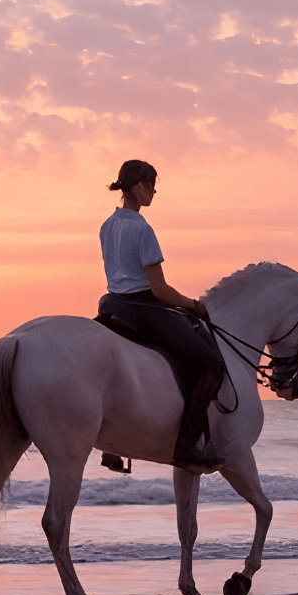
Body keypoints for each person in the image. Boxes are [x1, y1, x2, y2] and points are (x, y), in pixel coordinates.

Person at [95, 159, 225, 473]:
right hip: (144, 309)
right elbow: (160, 290)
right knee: (212, 365)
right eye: (151, 185)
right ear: (138, 187)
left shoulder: (107, 225)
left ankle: (110, 448)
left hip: (112, 304)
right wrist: (195, 306)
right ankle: (186, 449)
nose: (154, 191)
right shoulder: (142, 228)